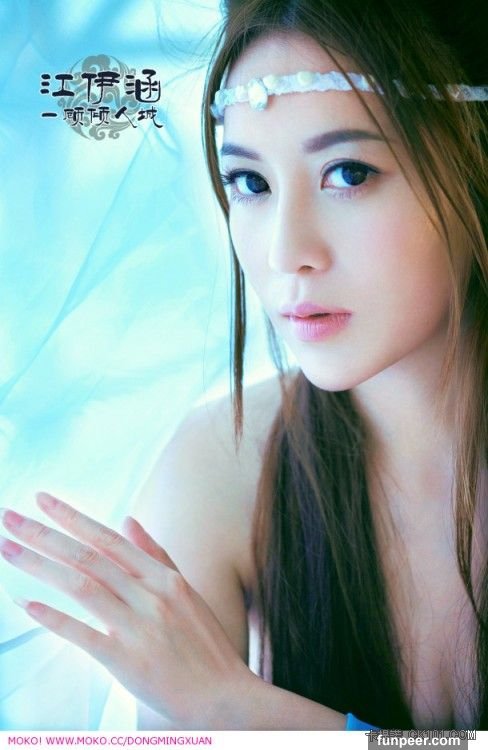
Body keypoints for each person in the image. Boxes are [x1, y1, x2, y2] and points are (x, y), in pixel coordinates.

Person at [0, 0, 486, 731]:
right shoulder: (223, 469)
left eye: (349, 172)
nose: (287, 251)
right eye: (251, 183)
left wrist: (241, 709)